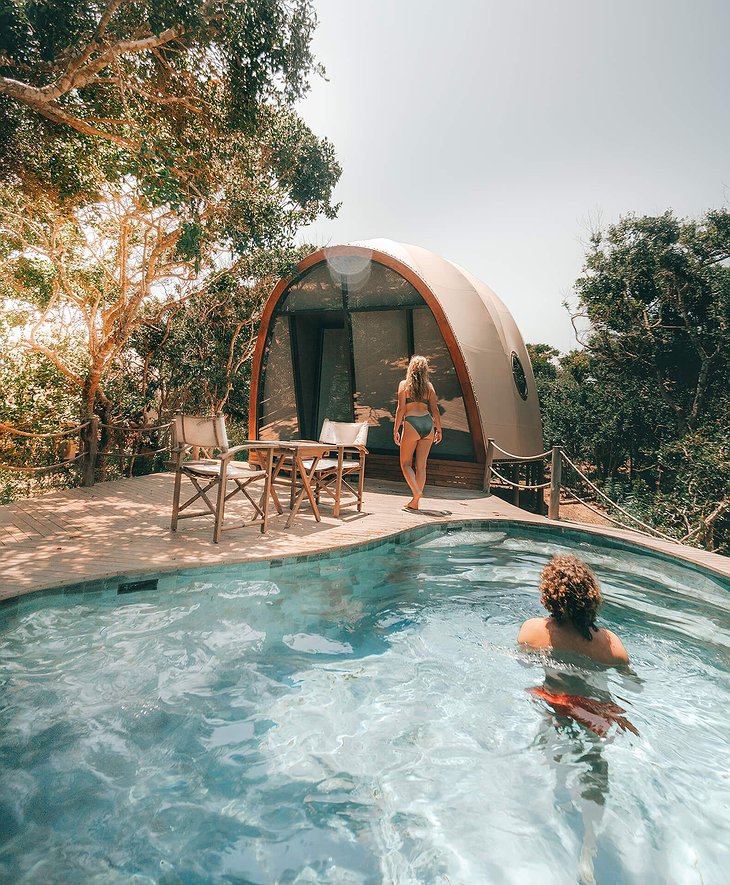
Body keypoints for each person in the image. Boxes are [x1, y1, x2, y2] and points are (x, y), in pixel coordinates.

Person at [518, 554, 629, 667]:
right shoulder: (611, 645)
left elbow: (525, 665)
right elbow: (630, 680)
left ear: (549, 596)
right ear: (591, 596)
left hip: (551, 684)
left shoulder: (531, 629)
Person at [393, 354, 442, 512]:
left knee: (405, 464)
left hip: (412, 423)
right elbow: (435, 410)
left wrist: (396, 429)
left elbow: (401, 409)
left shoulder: (404, 384)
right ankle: (415, 503)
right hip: (428, 424)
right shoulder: (429, 387)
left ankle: (416, 492)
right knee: (421, 466)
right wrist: (439, 430)